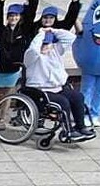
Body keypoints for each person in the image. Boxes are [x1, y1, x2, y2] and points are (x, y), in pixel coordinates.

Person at [22, 14, 94, 143]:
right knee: (63, 102)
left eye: (49, 43)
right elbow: (33, 49)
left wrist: (52, 31)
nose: (46, 46)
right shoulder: (32, 55)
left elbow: (71, 38)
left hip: (57, 87)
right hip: (40, 89)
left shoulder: (56, 50)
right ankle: (68, 131)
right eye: (44, 44)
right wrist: (40, 35)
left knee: (78, 97)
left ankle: (80, 126)